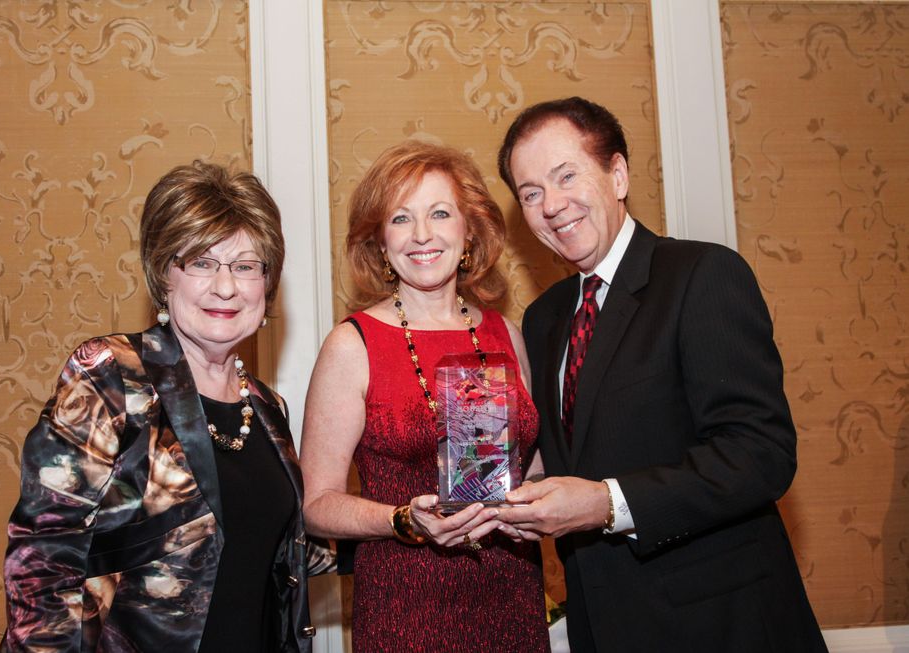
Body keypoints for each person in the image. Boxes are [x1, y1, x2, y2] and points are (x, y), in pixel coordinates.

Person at [493, 96, 828, 652]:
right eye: (530, 193)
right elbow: (579, 450)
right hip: (603, 625)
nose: (551, 205)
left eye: (566, 175)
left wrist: (606, 502)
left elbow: (761, 454)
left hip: (720, 625)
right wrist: (507, 493)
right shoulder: (544, 319)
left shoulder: (701, 275)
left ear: (617, 174)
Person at [1, 161, 332, 652]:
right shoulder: (112, 377)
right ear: (164, 274)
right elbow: (42, 565)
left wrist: (404, 520)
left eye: (245, 266)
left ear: (267, 283)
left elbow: (278, 554)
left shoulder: (266, 409)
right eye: (201, 262)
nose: (226, 287)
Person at [300, 141, 550, 652]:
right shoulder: (354, 344)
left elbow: (534, 465)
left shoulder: (507, 334)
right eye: (400, 218)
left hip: (513, 599)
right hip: (405, 607)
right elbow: (316, 504)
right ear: (380, 241)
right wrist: (401, 520)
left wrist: (534, 509)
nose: (421, 235)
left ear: (469, 230)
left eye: (440, 213)